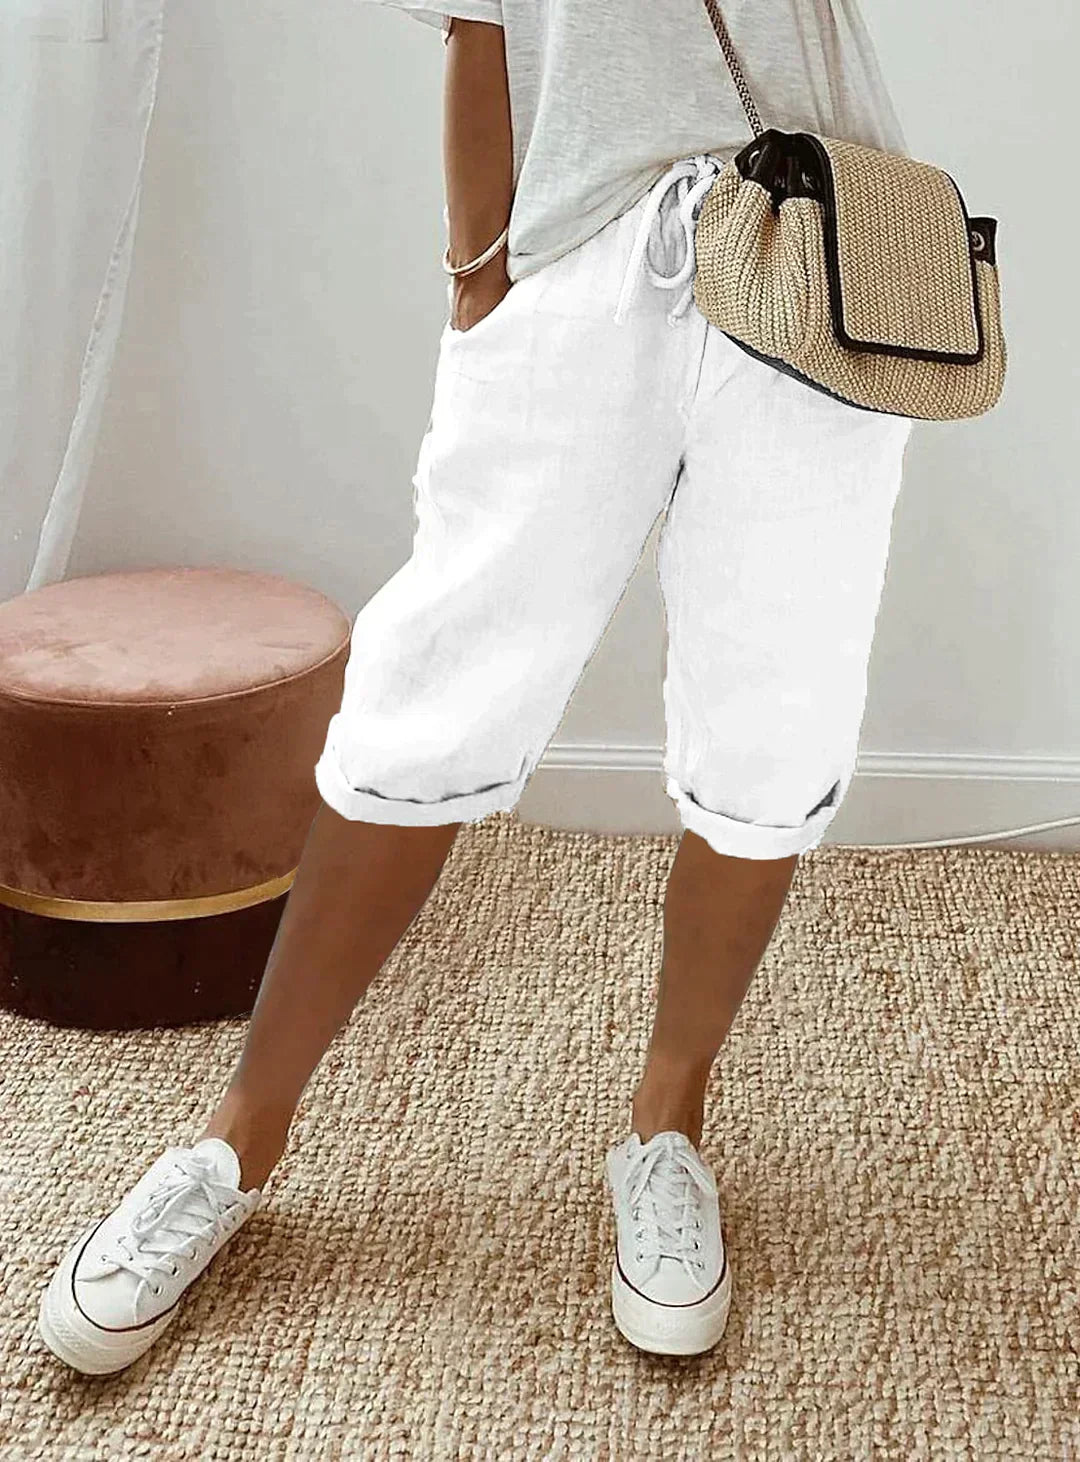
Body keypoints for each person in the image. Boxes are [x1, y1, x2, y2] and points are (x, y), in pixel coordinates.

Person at [38, 0, 914, 1372]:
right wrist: (478, 279)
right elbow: (478, 20)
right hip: (577, 263)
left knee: (775, 725)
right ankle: (235, 1140)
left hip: (818, 249)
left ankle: (667, 1127)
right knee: (425, 709)